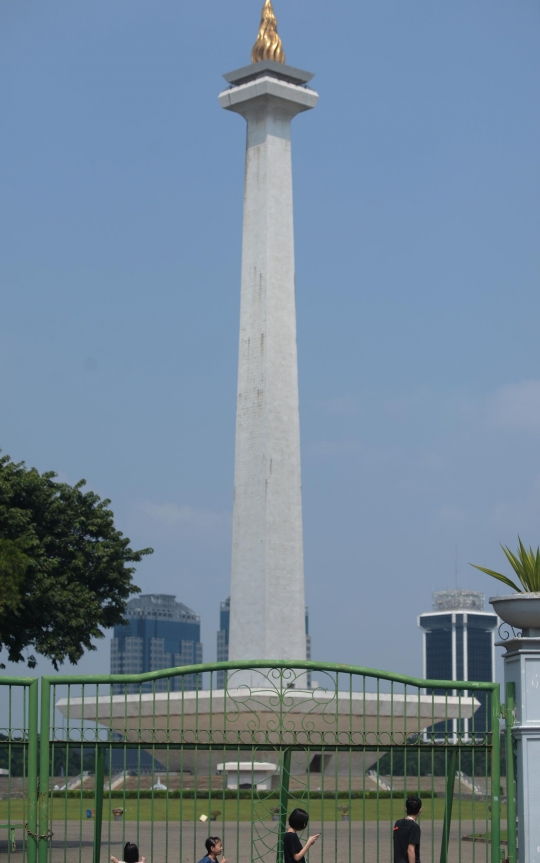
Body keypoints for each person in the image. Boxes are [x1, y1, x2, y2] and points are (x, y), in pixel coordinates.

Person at [393, 797, 422, 863]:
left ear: (405, 808)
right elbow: (410, 850)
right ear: (420, 810)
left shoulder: (398, 823)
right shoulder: (414, 827)